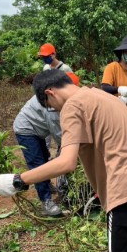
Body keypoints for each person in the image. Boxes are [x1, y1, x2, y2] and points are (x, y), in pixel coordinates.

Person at [0, 69, 127, 252]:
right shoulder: (101, 96)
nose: (55, 111)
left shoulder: (72, 106)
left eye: (50, 106)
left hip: (125, 189)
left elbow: (66, 163)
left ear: (50, 93)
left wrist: (18, 180)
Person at [13, 72, 79, 216]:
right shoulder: (51, 105)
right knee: (37, 163)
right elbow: (61, 137)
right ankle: (46, 201)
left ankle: (47, 184)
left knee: (44, 157)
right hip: (26, 129)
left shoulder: (61, 98)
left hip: (39, 130)